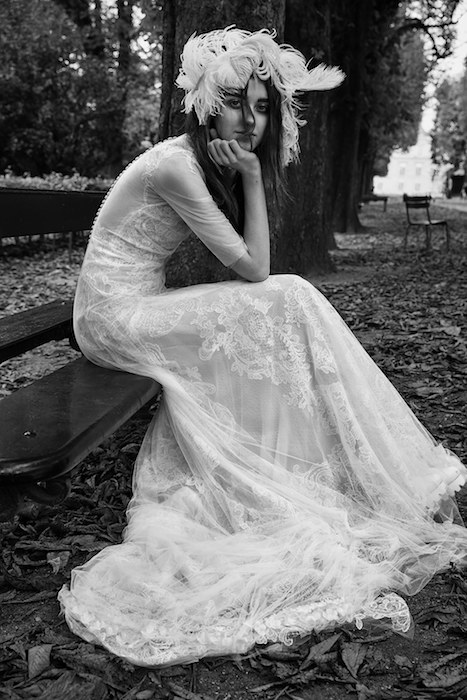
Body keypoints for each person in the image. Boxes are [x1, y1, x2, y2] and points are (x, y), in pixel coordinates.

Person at [59, 27, 467, 667]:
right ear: (204, 106)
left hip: (136, 304)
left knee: (283, 304)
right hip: (111, 317)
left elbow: (251, 267)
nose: (249, 121)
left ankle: (301, 462)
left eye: (262, 107)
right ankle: (291, 469)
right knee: (286, 296)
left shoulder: (198, 161)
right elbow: (255, 268)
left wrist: (249, 174)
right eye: (234, 103)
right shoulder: (175, 165)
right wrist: (251, 176)